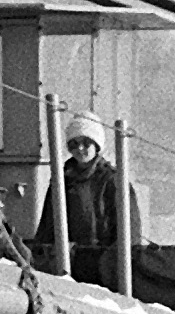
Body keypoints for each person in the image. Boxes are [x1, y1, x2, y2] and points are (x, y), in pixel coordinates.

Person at [32, 112, 142, 285]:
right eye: (74, 144)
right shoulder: (61, 181)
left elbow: (130, 233)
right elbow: (47, 226)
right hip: (68, 264)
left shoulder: (114, 181)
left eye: (86, 142)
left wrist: (115, 268)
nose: (80, 149)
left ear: (97, 145)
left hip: (103, 268)